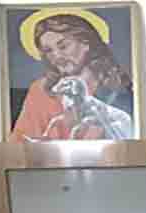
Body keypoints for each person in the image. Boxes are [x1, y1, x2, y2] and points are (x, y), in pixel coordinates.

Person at [11, 12, 136, 142]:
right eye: (49, 51)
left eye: (63, 46)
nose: (57, 56)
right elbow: (21, 142)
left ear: (86, 43)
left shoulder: (115, 83)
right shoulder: (41, 90)